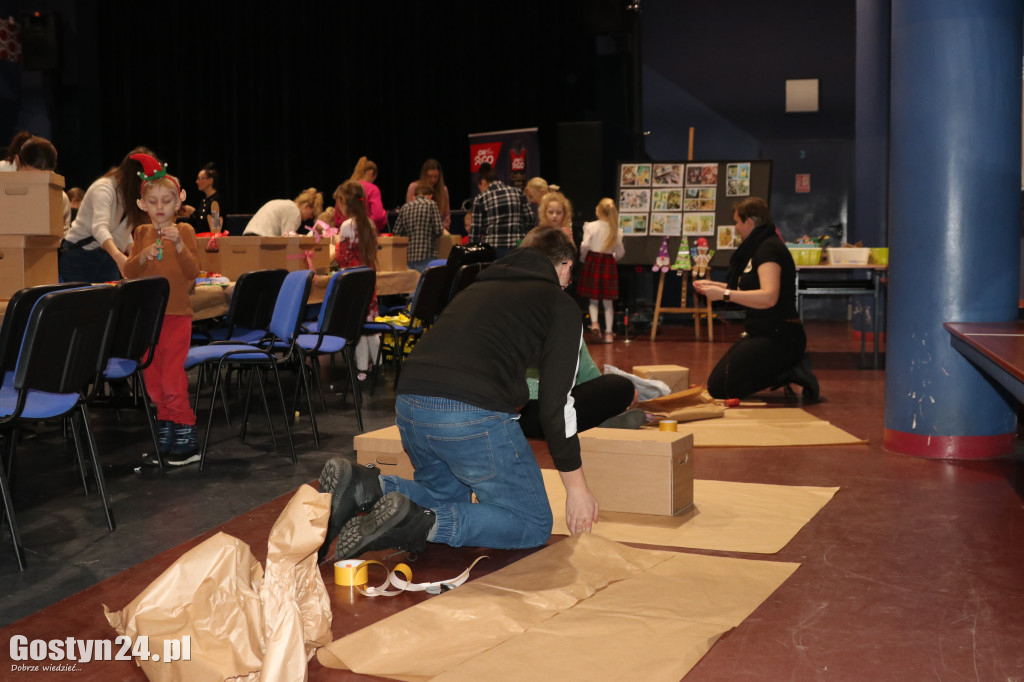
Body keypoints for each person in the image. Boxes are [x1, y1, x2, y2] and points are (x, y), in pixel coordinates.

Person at [317, 226, 598, 562]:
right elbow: (556, 404)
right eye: (570, 275)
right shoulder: (559, 303)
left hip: (410, 403)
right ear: (565, 266)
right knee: (532, 522)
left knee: (445, 495)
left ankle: (369, 487)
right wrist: (576, 489)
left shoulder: (480, 284)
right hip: (468, 416)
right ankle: (417, 522)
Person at [693, 197, 820, 401]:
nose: (736, 227)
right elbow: (749, 290)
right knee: (717, 384)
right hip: (762, 331)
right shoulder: (760, 246)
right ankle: (786, 368)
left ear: (749, 222)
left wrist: (724, 294)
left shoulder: (768, 249)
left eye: (737, 222)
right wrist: (715, 287)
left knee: (719, 388)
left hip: (781, 336)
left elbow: (769, 297)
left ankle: (792, 370)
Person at [121, 153, 202, 465]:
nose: (159, 208)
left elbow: (193, 271)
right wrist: (141, 257)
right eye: (152, 202)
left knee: (172, 378)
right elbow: (128, 272)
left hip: (176, 316)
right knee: (153, 379)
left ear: (178, 201)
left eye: (166, 201)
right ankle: (167, 429)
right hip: (148, 320)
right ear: (142, 205)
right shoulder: (141, 234)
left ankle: (186, 434)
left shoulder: (185, 232)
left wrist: (179, 246)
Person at [60, 147, 151, 283]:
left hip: (108, 258)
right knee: (81, 303)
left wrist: (134, 256)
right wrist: (120, 258)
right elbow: (100, 228)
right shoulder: (104, 188)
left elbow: (122, 233)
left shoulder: (129, 195)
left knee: (111, 301)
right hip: (80, 257)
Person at [333, 180, 381, 379]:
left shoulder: (347, 226)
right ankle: (377, 366)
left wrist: (336, 244)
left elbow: (342, 258)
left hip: (353, 283)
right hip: (368, 281)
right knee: (370, 325)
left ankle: (362, 369)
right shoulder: (369, 224)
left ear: (345, 203)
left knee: (359, 327)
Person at [0, 134, 72, 231]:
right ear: (17, 161)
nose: (36, 184)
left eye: (43, 179)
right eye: (30, 177)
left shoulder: (58, 197)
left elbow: (58, 238)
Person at [577, 197, 624, 343]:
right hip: (608, 263)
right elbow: (621, 251)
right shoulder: (616, 230)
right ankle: (609, 333)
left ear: (598, 210)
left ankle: (595, 323)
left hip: (593, 261)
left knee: (593, 299)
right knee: (608, 300)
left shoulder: (590, 226)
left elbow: (585, 246)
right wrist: (613, 259)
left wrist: (584, 259)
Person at [470, 163, 533, 258]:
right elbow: (530, 220)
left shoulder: (480, 199)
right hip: (518, 247)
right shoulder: (518, 193)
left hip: (492, 251)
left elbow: (475, 232)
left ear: (483, 182)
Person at [394, 181, 445, 272]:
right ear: (430, 196)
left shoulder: (405, 207)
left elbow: (396, 232)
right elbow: (438, 230)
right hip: (427, 253)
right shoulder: (431, 204)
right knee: (425, 284)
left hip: (408, 256)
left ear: (414, 196)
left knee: (412, 284)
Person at [242, 188, 321, 236]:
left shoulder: (286, 204)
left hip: (247, 235)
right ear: (306, 206)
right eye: (312, 214)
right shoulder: (295, 212)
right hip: (261, 238)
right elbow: (287, 240)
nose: (310, 217)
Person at [405, 159, 451, 230]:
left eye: (436, 177)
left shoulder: (443, 190)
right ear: (424, 175)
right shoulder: (413, 187)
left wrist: (443, 228)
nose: (433, 180)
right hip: (418, 230)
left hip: (440, 231)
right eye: (430, 176)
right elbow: (408, 213)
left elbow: (446, 215)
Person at [181, 162, 224, 234]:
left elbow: (216, 227)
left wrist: (194, 212)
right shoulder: (203, 200)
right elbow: (199, 225)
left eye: (200, 178)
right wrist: (191, 215)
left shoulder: (217, 200)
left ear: (210, 181)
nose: (197, 181)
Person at [350, 156, 388, 233]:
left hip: (346, 234)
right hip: (367, 234)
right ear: (371, 173)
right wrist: (384, 214)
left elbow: (338, 219)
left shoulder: (346, 187)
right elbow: (378, 216)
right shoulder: (372, 189)